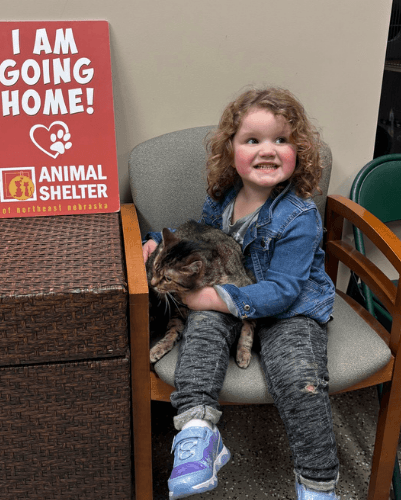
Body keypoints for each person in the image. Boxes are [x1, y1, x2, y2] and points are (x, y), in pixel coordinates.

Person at [142, 87, 340, 500]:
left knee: (300, 379)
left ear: (299, 151)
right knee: (202, 335)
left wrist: (217, 298)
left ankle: (317, 483)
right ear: (231, 150)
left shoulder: (300, 216)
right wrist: (157, 242)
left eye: (281, 140)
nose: (267, 150)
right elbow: (197, 236)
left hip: (290, 311)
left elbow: (283, 290)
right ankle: (198, 431)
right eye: (252, 140)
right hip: (232, 300)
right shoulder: (224, 200)